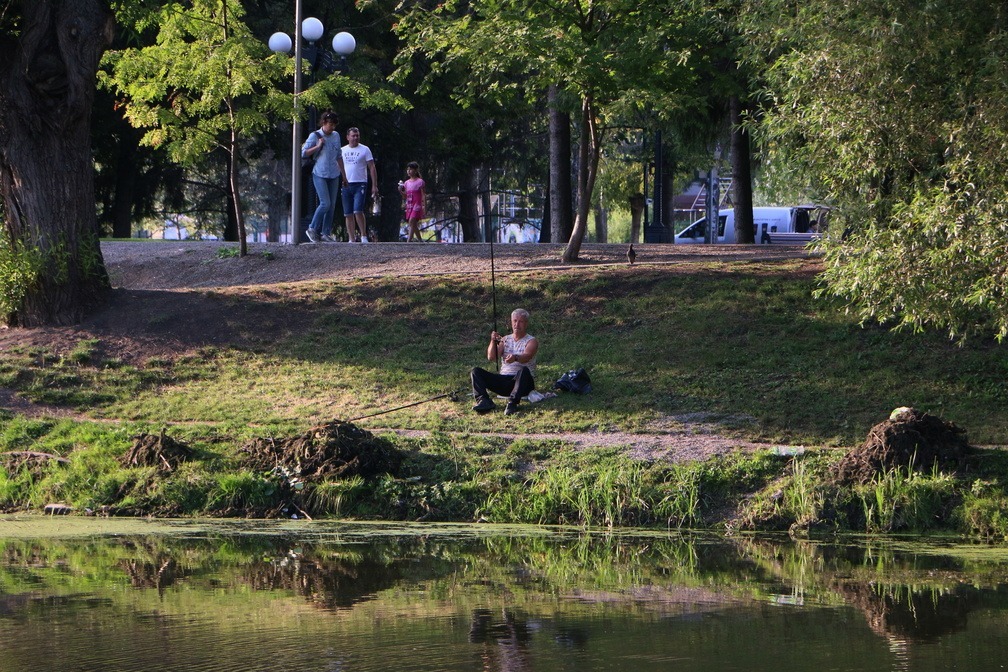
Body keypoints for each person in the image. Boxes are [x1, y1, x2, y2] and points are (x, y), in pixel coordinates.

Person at [471, 308, 538, 416]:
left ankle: (512, 403)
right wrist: (493, 341)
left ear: (526, 323)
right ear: (511, 322)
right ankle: (484, 400)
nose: (517, 324)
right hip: (505, 381)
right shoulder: (505, 339)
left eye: (521, 321)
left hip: (523, 383)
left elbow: (527, 356)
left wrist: (515, 358)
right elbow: (491, 357)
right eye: (515, 321)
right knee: (476, 371)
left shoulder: (531, 340)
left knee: (523, 370)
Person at [301, 111, 348, 243]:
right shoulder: (315, 135)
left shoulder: (336, 136)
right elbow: (303, 153)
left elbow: (339, 155)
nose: (332, 127)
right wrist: (318, 146)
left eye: (334, 125)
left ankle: (325, 232)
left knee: (331, 205)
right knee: (325, 203)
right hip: (319, 173)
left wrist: (344, 176)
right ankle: (312, 228)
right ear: (324, 123)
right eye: (330, 124)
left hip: (334, 174)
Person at [341, 127, 379, 243]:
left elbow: (372, 167)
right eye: (353, 136)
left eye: (357, 135)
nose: (355, 138)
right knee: (348, 213)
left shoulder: (365, 149)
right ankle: (351, 238)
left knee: (358, 210)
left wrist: (374, 185)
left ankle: (363, 235)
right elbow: (338, 165)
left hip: (360, 183)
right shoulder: (342, 150)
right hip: (346, 183)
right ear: (348, 137)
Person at [398, 161, 426, 242]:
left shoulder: (420, 182)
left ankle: (408, 241)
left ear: (415, 170)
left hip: (417, 204)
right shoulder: (406, 183)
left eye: (410, 169)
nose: (409, 171)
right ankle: (420, 240)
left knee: (412, 220)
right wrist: (400, 191)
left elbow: (423, 195)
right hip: (409, 204)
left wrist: (424, 207)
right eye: (408, 169)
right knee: (412, 223)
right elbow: (405, 196)